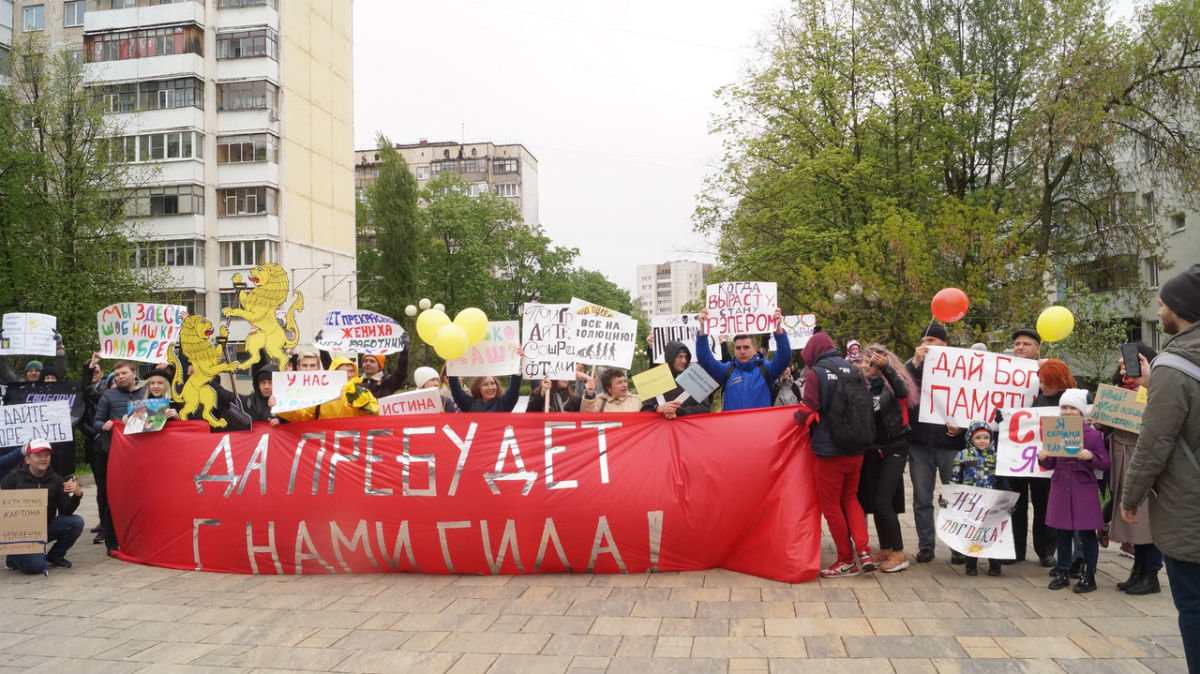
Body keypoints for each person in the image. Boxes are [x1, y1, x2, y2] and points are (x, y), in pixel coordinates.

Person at [1121, 263, 1200, 672]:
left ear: (1180, 309)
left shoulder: (1175, 365)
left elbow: (1154, 444)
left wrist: (1130, 496)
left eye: (1163, 301)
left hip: (1191, 511)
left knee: (1194, 606)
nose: (1158, 308)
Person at [794, 331, 874, 577]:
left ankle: (845, 559)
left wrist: (797, 418)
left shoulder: (816, 374)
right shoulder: (855, 370)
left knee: (831, 506)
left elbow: (808, 411)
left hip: (829, 451)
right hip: (857, 448)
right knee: (851, 499)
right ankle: (864, 551)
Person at [1101, 343, 1161, 594]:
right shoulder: (1117, 390)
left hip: (1142, 455)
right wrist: (1101, 421)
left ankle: (1151, 572)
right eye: (1122, 363)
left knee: (1148, 516)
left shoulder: (1154, 389)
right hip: (1120, 453)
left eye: (1129, 362)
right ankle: (1138, 568)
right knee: (1133, 518)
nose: (1123, 366)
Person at [904, 324, 964, 563]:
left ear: (944, 344)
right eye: (924, 339)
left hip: (951, 443)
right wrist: (915, 365)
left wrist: (962, 425)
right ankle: (926, 545)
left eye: (933, 340)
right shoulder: (913, 365)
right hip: (919, 443)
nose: (927, 344)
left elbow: (971, 400)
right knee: (922, 498)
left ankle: (957, 546)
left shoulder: (960, 367)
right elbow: (903, 388)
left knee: (955, 496)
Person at [1039, 388, 1109, 593]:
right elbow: (1051, 462)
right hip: (1061, 487)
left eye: (1072, 408)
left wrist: (1091, 457)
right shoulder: (1056, 431)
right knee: (1062, 532)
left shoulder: (1094, 435)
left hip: (1083, 489)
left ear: (1081, 411)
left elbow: (1105, 463)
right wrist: (1043, 457)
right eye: (1064, 408)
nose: (1068, 412)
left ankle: (1089, 574)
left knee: (1087, 533)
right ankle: (1062, 571)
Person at [853, 344, 912, 573]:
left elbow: (903, 392)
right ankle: (886, 548)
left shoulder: (893, 381)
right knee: (874, 502)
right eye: (866, 360)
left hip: (895, 448)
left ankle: (899, 553)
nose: (869, 364)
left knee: (883, 502)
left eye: (873, 360)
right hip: (873, 449)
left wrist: (886, 368)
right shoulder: (865, 386)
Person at [1, 439, 84, 574]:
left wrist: (77, 495)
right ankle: (13, 556)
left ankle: (55, 556)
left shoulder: (57, 480)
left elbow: (65, 511)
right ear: (27, 459)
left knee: (76, 522)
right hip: (20, 535)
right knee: (36, 567)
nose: (43, 459)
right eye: (38, 455)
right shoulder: (13, 479)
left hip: (44, 528)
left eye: (47, 455)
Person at [694, 308, 790, 411]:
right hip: (733, 426)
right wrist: (703, 332)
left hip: (761, 426)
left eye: (746, 347)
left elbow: (784, 357)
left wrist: (778, 330)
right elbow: (705, 360)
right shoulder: (727, 370)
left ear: (755, 349)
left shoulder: (766, 369)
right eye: (738, 348)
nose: (742, 351)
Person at [946, 422, 1006, 577]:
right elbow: (955, 476)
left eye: (986, 437)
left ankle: (995, 564)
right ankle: (971, 564)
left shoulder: (996, 457)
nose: (982, 441)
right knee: (971, 533)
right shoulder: (963, 455)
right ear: (970, 438)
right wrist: (949, 496)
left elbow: (1003, 481)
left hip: (991, 500)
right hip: (970, 501)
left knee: (991, 532)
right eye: (978, 437)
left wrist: (1007, 498)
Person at [91, 360, 138, 553]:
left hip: (140, 454)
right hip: (114, 453)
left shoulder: (147, 392)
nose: (120, 377)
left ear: (134, 373)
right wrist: (105, 425)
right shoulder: (108, 396)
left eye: (124, 373)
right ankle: (112, 542)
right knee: (115, 498)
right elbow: (97, 421)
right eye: (117, 375)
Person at [276, 356, 379, 421]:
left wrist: (361, 404)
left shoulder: (364, 392)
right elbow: (302, 415)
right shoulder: (321, 393)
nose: (349, 375)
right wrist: (281, 408)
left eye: (351, 371)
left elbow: (375, 415)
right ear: (334, 374)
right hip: (328, 445)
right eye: (343, 372)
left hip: (354, 444)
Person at [641, 340, 713, 417]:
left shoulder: (694, 378)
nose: (684, 361)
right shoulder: (654, 378)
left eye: (686, 357)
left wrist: (679, 411)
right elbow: (644, 411)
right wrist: (658, 409)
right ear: (671, 357)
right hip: (663, 428)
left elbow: (705, 408)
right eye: (680, 356)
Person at [448, 373, 523, 413]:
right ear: (478, 388)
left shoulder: (503, 403)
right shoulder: (471, 404)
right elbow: (456, 391)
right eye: (485, 384)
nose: (490, 387)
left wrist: (517, 363)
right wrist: (452, 367)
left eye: (493, 383)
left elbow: (514, 389)